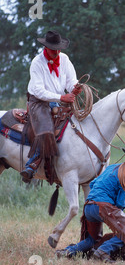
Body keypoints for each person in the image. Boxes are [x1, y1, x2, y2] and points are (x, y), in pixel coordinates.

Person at [56, 148, 125, 263]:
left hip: (89, 206)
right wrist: (120, 217)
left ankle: (68, 251)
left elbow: (93, 183)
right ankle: (103, 251)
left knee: (91, 240)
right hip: (103, 207)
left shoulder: (111, 167)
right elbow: (120, 201)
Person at [20, 30, 81, 183]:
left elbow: (70, 80)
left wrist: (75, 87)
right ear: (46, 48)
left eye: (58, 49)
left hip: (59, 100)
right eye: (54, 49)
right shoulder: (37, 63)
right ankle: (32, 164)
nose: (57, 52)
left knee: (78, 124)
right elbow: (39, 91)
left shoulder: (64, 59)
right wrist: (62, 97)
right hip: (38, 102)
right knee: (47, 130)